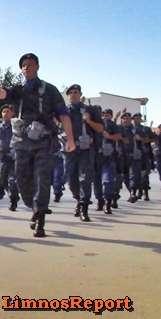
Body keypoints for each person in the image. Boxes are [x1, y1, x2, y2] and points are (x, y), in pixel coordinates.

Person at [0, 53, 75, 238]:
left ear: (37, 67)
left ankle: (40, 217)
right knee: (21, 179)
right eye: (23, 65)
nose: (26, 68)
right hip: (21, 143)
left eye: (30, 65)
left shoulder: (50, 90)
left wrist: (70, 139)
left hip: (44, 142)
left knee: (42, 179)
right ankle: (33, 206)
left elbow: (63, 115)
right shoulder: (18, 90)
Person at [64, 84, 103, 222]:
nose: (73, 95)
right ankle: (78, 200)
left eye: (76, 92)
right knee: (71, 179)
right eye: (71, 93)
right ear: (68, 96)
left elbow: (100, 128)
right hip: (69, 151)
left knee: (85, 179)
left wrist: (89, 120)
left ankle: (84, 207)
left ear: (80, 95)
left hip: (86, 150)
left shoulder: (89, 110)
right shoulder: (64, 111)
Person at [94, 108, 121, 214]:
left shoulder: (113, 125)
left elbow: (118, 136)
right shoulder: (96, 124)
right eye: (104, 114)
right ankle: (100, 200)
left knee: (108, 180)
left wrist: (109, 136)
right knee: (96, 181)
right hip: (97, 155)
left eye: (108, 114)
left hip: (109, 156)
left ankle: (107, 202)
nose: (105, 116)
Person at [0, 104, 20, 211]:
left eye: (8, 111)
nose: (5, 113)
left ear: (12, 113)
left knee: (12, 180)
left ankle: (13, 200)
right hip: (2, 156)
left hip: (14, 156)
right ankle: (12, 194)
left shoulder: (17, 124)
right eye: (4, 111)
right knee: (3, 179)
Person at [132, 113, 156, 201]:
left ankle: (146, 193)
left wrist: (144, 139)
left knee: (145, 175)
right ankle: (137, 192)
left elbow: (154, 138)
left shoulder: (145, 129)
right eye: (134, 118)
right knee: (135, 175)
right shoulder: (131, 129)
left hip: (145, 154)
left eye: (138, 118)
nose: (136, 120)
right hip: (134, 155)